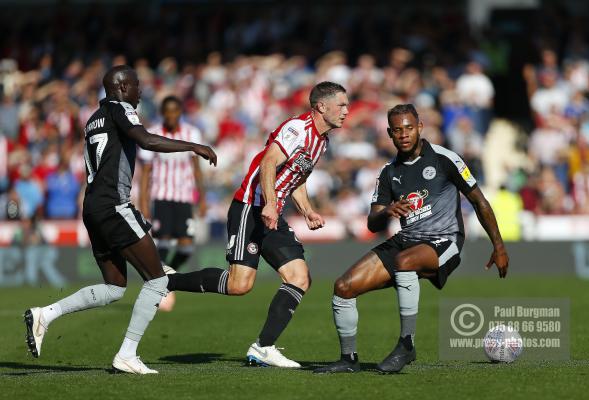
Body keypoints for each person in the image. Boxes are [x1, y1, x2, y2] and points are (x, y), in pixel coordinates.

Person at [23, 65, 217, 374]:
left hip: (93, 207)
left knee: (114, 287)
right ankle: (127, 354)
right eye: (137, 85)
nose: (141, 91)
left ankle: (45, 314)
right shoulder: (120, 108)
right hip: (113, 205)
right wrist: (192, 146)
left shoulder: (93, 118)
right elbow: (147, 141)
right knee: (157, 280)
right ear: (123, 87)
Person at [165, 81, 349, 368]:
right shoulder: (297, 129)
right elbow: (268, 163)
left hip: (272, 213)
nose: (346, 111)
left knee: (300, 277)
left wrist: (308, 210)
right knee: (239, 285)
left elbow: (296, 177)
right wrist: (272, 204)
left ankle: (264, 347)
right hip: (250, 208)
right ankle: (167, 281)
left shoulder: (322, 141)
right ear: (321, 107)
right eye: (342, 105)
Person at [314, 104, 508, 374]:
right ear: (389, 134)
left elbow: (479, 200)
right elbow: (372, 222)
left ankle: (407, 344)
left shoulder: (444, 158)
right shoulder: (388, 172)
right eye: (397, 130)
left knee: (405, 261)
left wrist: (498, 246)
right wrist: (388, 212)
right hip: (405, 239)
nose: (403, 134)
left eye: (408, 128)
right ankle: (348, 359)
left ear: (419, 127)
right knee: (343, 287)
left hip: (444, 240)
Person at [139, 96, 206, 311]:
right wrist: (143, 201)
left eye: (175, 111)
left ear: (180, 112)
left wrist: (202, 198)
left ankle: (168, 278)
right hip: (162, 196)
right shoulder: (153, 134)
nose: (171, 115)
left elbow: (197, 169)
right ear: (162, 112)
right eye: (167, 111)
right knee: (164, 242)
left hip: (185, 196)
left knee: (187, 246)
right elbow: (146, 172)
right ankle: (160, 285)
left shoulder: (191, 133)